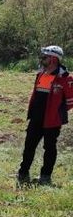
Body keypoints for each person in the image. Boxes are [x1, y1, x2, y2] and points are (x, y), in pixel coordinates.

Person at [18, 46, 73, 185]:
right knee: (29, 145)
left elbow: (70, 101)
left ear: (54, 59)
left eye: (45, 57)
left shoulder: (65, 78)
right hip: (36, 118)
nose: (42, 59)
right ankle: (23, 173)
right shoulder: (40, 74)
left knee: (49, 148)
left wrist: (57, 113)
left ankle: (45, 176)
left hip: (52, 121)